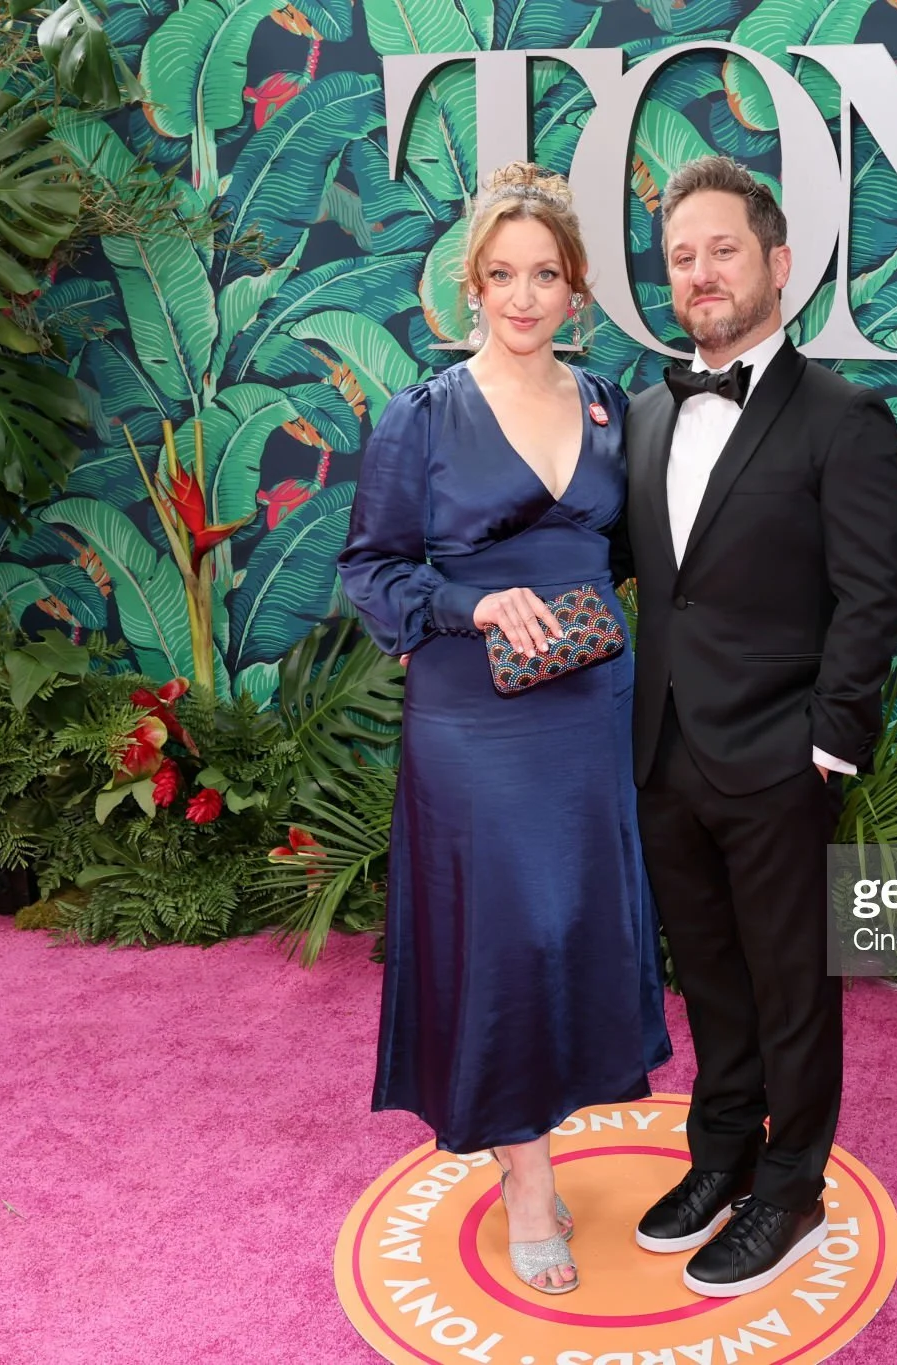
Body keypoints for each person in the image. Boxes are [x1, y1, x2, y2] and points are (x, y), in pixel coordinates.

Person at [337, 162, 672, 1296]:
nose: (521, 297)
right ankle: (525, 1178)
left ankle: (542, 1126)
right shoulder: (419, 418)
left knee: (573, 926)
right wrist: (466, 602)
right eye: (500, 275)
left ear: (575, 291)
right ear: (467, 286)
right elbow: (370, 568)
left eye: (545, 276)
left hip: (585, 710)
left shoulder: (605, 405)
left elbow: (624, 555)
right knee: (504, 936)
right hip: (473, 719)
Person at [618, 156, 897, 1297]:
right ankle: (721, 1153)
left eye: (721, 249)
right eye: (681, 255)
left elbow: (870, 593)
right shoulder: (644, 412)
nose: (700, 273)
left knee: (791, 987)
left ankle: (791, 1186)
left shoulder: (842, 418)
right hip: (664, 756)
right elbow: (629, 573)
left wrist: (826, 749)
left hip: (783, 759)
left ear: (778, 265)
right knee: (713, 981)